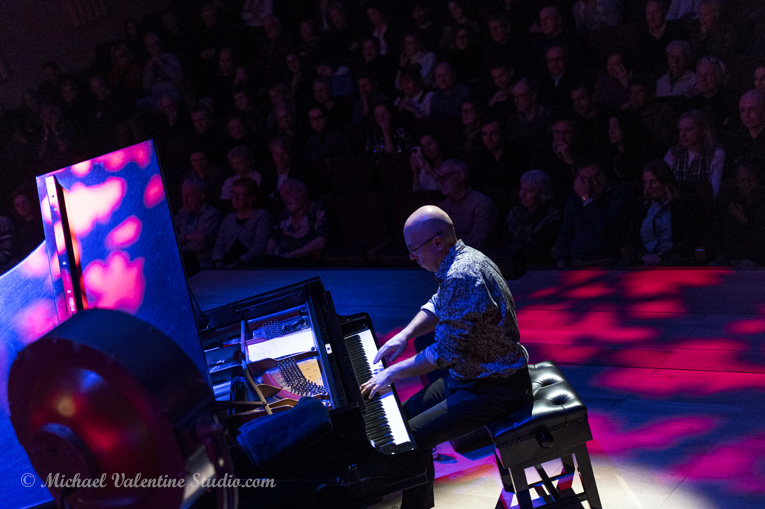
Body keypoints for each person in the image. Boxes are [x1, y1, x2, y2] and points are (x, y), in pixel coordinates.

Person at [360, 205, 531, 509]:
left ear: (437, 242)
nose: (413, 257)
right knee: (402, 420)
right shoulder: (459, 260)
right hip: (471, 375)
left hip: (497, 387)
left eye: (415, 249)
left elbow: (444, 353)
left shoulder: (462, 274)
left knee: (413, 437)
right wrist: (404, 335)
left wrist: (391, 373)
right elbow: (439, 304)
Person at [555, 159, 635, 267]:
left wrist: (587, 201)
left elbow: (605, 227)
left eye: (598, 176)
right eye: (589, 180)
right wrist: (561, 260)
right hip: (577, 262)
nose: (596, 182)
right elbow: (565, 233)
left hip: (608, 261)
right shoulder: (574, 199)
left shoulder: (620, 193)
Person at [624, 159, 703, 266]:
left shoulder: (685, 203)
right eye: (646, 183)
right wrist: (642, 256)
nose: (649, 188)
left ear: (665, 181)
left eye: (653, 182)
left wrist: (663, 257)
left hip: (674, 261)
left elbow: (690, 239)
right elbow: (632, 238)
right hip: (644, 261)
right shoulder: (641, 205)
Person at [503, 169, 562, 275]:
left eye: (530, 191)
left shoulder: (551, 217)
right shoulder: (515, 214)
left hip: (540, 269)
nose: (522, 194)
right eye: (522, 189)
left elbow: (538, 249)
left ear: (542, 193)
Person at [434, 159, 497, 251]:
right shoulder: (442, 208)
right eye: (439, 178)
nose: (442, 182)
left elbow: (477, 244)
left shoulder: (482, 204)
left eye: (446, 176)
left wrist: (444, 238)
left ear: (461, 176)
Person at [211, 178, 272, 268]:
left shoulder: (262, 216)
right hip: (225, 265)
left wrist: (238, 263)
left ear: (251, 197)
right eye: (233, 194)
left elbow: (259, 247)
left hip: (249, 267)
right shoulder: (229, 219)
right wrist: (217, 261)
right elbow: (219, 245)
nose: (234, 198)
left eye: (239, 195)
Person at [664, 110, 725, 197]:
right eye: (680, 130)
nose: (683, 134)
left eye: (688, 130)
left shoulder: (715, 154)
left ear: (702, 131)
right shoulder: (673, 154)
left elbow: (714, 187)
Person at [266, 178, 328, 263]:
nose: (285, 199)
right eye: (282, 196)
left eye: (288, 193)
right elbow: (274, 237)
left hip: (302, 262)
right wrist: (270, 257)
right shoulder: (285, 212)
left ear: (301, 191)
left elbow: (321, 241)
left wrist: (290, 256)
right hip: (280, 262)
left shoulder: (316, 209)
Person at [174, 177, 223, 270]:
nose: (184, 200)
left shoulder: (212, 215)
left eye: (189, 195)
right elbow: (172, 241)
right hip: (181, 259)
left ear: (201, 196)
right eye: (183, 195)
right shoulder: (180, 215)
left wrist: (182, 240)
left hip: (203, 263)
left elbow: (201, 243)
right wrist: (188, 237)